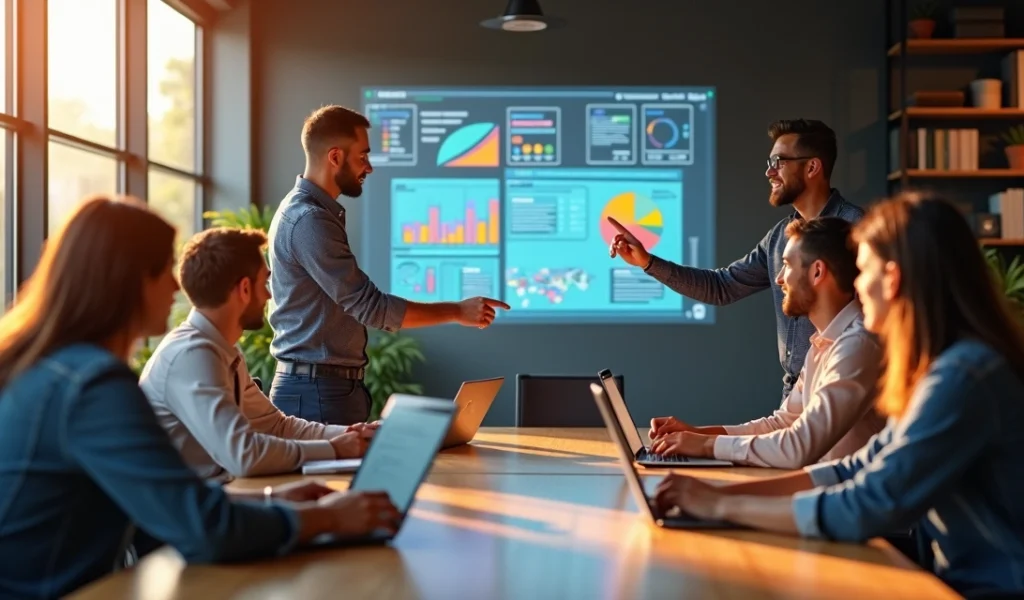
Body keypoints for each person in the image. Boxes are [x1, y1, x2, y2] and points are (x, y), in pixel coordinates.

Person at [0, 196, 400, 599]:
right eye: (165, 270)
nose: (177, 286)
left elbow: (171, 503)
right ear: (131, 281)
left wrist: (270, 501)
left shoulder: (54, 371)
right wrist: (326, 519)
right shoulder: (94, 386)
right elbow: (204, 528)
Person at [653, 193, 1024, 596]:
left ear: (892, 278)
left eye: (864, 271)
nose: (858, 286)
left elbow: (871, 503)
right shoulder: (944, 368)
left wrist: (721, 505)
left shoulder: (962, 376)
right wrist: (715, 495)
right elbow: (853, 469)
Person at [267, 104, 511, 425]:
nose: (369, 168)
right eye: (363, 156)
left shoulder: (309, 213)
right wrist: (457, 311)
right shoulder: (309, 220)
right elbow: (371, 307)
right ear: (335, 157)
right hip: (316, 393)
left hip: (324, 388)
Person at [609, 119, 863, 399]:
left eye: (778, 162)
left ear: (812, 167)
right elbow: (722, 286)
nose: (769, 172)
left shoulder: (858, 231)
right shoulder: (780, 236)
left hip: (840, 390)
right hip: (794, 395)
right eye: (769, 162)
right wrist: (647, 262)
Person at [141, 227, 378, 480]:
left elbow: (276, 426)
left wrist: (352, 434)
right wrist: (334, 449)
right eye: (264, 282)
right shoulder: (192, 356)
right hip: (196, 502)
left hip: (218, 494)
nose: (269, 294)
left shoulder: (220, 349)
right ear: (244, 288)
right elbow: (243, 456)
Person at [647, 217, 885, 468]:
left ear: (817, 272)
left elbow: (798, 447)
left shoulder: (857, 345)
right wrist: (697, 435)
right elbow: (782, 423)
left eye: (787, 265)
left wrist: (707, 445)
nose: (779, 278)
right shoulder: (824, 343)